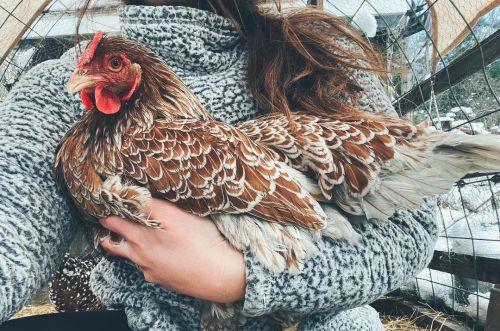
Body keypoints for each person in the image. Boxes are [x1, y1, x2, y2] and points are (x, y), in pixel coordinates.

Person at [0, 0, 438, 330]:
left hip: (311, 320)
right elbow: (12, 222)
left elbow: (409, 228)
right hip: (143, 318)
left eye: (113, 65)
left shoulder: (319, 58)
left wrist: (245, 274)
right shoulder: (55, 90)